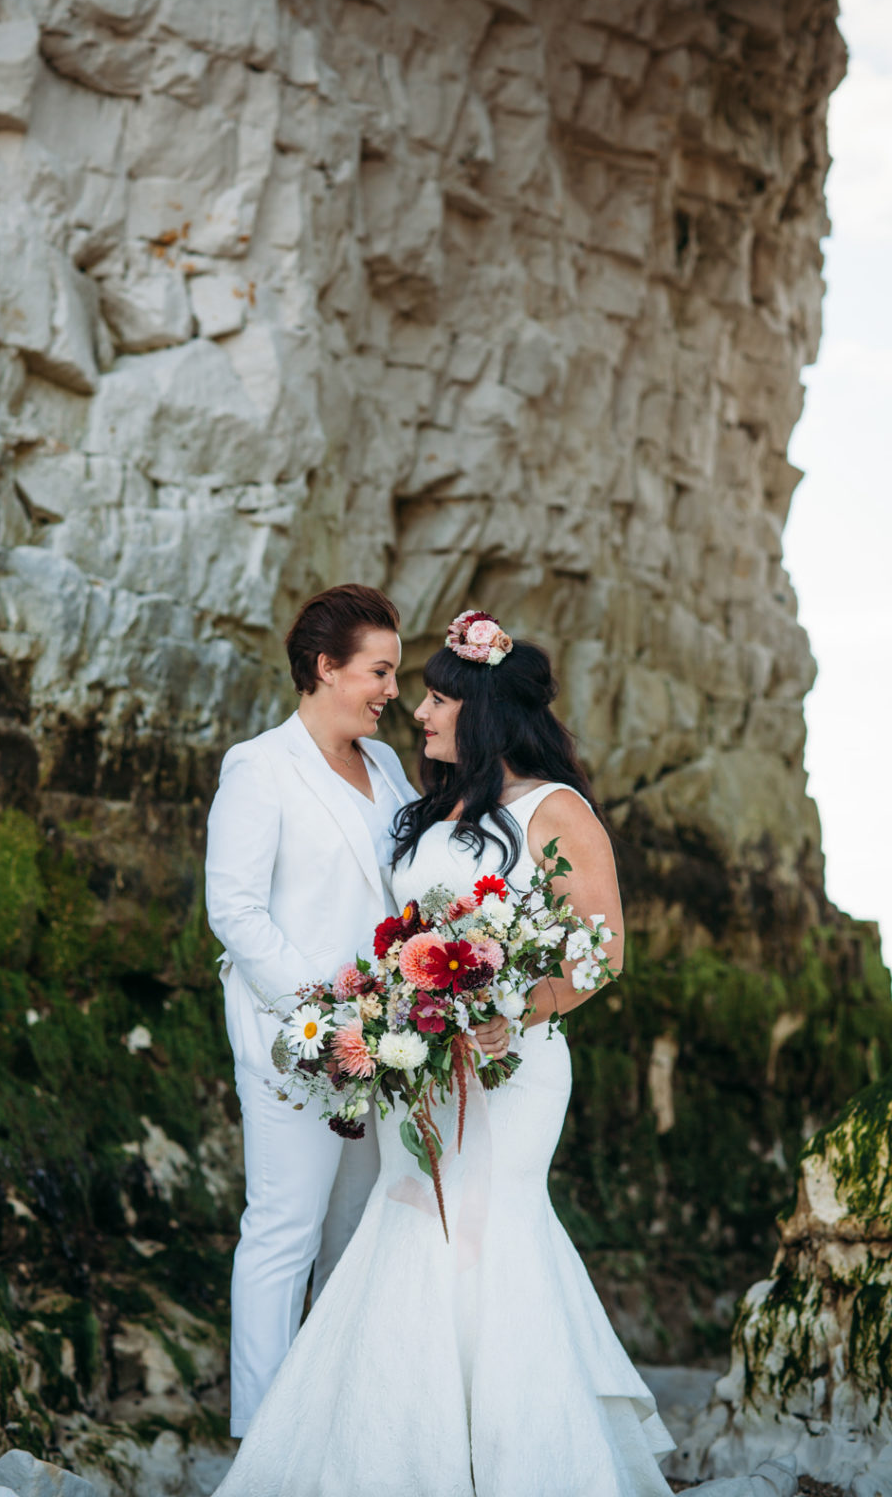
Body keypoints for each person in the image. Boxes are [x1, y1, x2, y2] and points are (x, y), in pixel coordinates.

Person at [212, 609, 675, 1496]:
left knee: (489, 1232)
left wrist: (515, 1011)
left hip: (508, 1064)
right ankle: (389, 1454)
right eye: (395, 682)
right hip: (406, 1060)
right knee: (403, 1234)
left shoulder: (550, 806)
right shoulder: (434, 802)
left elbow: (602, 950)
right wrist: (389, 1016)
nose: (413, 710)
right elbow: (320, 918)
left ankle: (516, 1461)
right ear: (326, 668)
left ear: (483, 710)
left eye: (431, 696)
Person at [205, 583, 418, 1437]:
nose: (392, 691)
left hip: (387, 1050)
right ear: (326, 668)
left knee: (359, 1238)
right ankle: (262, 1446)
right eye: (380, 671)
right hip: (296, 1044)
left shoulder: (391, 769)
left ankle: (332, 1432)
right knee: (282, 1233)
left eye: (396, 674)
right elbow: (235, 909)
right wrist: (325, 1013)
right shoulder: (259, 766)